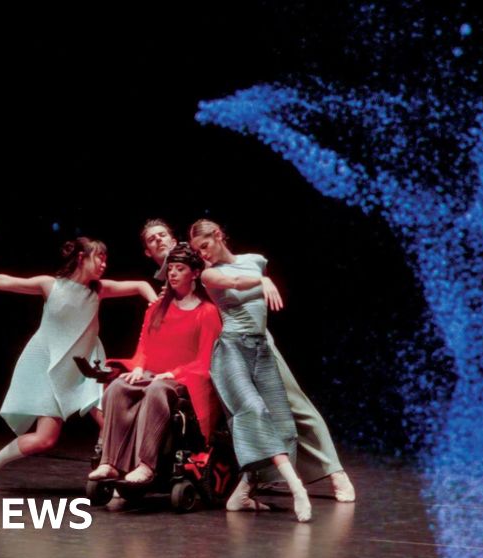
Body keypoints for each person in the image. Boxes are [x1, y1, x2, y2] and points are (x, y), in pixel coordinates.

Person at [140, 218, 355, 502]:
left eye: (162, 235)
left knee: (294, 405)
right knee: (244, 417)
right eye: (152, 239)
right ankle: (249, 482)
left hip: (255, 342)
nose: (159, 241)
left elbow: (247, 292)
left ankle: (334, 472)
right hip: (224, 348)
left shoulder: (229, 260)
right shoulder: (189, 273)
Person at [0, 237, 157, 490]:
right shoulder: (51, 285)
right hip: (53, 367)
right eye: (99, 258)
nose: (104, 264)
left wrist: (156, 303)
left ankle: (114, 476)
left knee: (111, 423)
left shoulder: (98, 289)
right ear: (81, 257)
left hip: (87, 368)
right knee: (44, 440)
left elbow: (140, 285)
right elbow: (7, 281)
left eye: (106, 259)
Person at [191, 218, 311, 522]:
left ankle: (242, 494)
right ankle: (297, 488)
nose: (203, 254)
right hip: (231, 350)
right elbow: (234, 283)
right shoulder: (209, 274)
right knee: (254, 411)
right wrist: (262, 281)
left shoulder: (255, 260)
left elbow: (257, 293)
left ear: (218, 235)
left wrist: (262, 278)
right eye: (198, 250)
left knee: (283, 425)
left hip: (261, 349)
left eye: (205, 246)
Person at [89, 243, 222, 485]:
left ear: (194, 273)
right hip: (151, 373)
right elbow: (143, 346)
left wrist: (173, 373)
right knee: (118, 387)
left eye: (180, 269)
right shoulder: (157, 308)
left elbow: (205, 360)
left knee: (156, 390)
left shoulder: (207, 312)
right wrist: (139, 367)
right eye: (170, 269)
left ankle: (146, 465)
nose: (172, 273)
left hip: (183, 379)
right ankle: (110, 462)